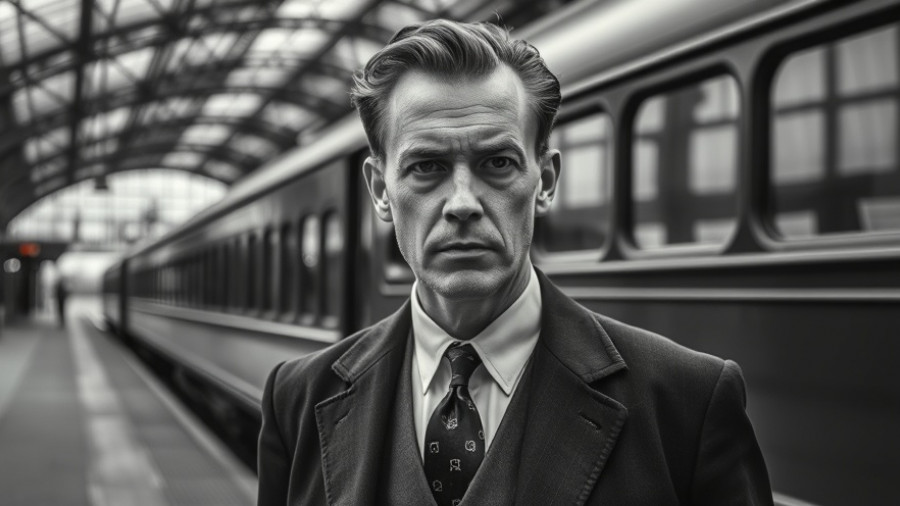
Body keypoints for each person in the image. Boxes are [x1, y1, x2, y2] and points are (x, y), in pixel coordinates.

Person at [257, 20, 773, 506]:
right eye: (427, 166)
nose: (462, 202)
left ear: (544, 181)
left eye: (497, 163)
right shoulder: (298, 400)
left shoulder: (687, 403)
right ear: (380, 191)